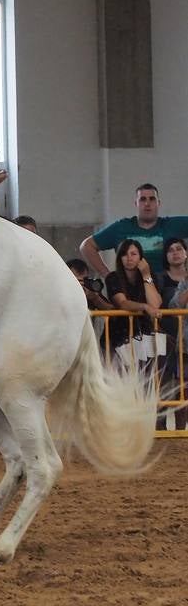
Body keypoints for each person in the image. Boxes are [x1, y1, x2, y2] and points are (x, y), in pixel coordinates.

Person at [80, 183, 188, 278]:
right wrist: (108, 276)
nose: (147, 203)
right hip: (129, 292)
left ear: (158, 203)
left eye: (152, 199)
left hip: (167, 292)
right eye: (142, 199)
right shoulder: (121, 227)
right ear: (136, 203)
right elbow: (87, 246)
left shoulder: (172, 225)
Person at [104, 239, 162, 369]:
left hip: (144, 334)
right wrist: (144, 307)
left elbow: (155, 304)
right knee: (120, 377)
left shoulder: (150, 276)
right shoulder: (113, 277)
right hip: (118, 334)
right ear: (120, 258)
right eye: (124, 254)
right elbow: (122, 303)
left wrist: (146, 275)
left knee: (146, 378)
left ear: (141, 257)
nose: (129, 258)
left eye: (134, 254)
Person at [162, 239, 188, 430]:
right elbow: (174, 305)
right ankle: (181, 431)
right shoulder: (184, 282)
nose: (176, 253)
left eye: (180, 249)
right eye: (171, 250)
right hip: (185, 344)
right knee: (182, 388)